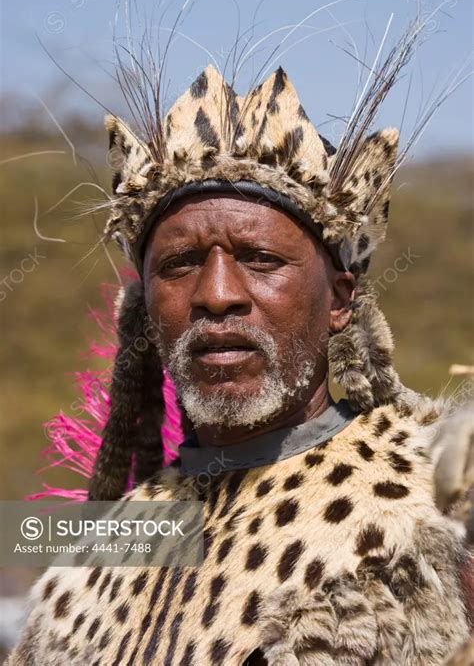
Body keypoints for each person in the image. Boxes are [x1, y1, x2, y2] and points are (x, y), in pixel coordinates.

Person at [9, 62, 471, 665]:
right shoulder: (98, 560)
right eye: (179, 264)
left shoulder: (434, 516)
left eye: (259, 259)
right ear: (142, 308)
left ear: (339, 299)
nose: (216, 294)